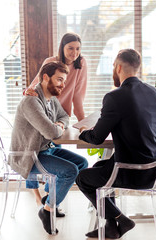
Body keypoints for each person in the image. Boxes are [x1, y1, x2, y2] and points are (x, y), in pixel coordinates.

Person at [76, 49, 156, 239]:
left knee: (83, 178)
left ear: (118, 66)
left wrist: (83, 133)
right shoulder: (154, 93)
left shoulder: (115, 97)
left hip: (132, 171)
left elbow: (97, 138)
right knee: (100, 166)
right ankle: (110, 227)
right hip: (155, 170)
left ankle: (120, 218)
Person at [10, 62, 88, 234]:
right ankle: (47, 211)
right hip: (29, 157)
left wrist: (59, 123)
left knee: (82, 163)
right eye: (59, 79)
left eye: (64, 80)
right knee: (69, 171)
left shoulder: (50, 99)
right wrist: (57, 126)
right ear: (45, 77)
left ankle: (49, 200)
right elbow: (51, 132)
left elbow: (64, 116)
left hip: (46, 150)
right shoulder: (31, 101)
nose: (62, 84)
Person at [25, 32, 88, 206]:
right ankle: (38, 195)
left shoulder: (81, 64)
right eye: (70, 48)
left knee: (55, 156)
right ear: (62, 47)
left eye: (77, 49)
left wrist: (82, 125)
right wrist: (28, 93)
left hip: (61, 117)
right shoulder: (51, 62)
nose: (74, 53)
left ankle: (50, 199)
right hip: (43, 113)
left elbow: (77, 97)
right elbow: (36, 85)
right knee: (37, 148)